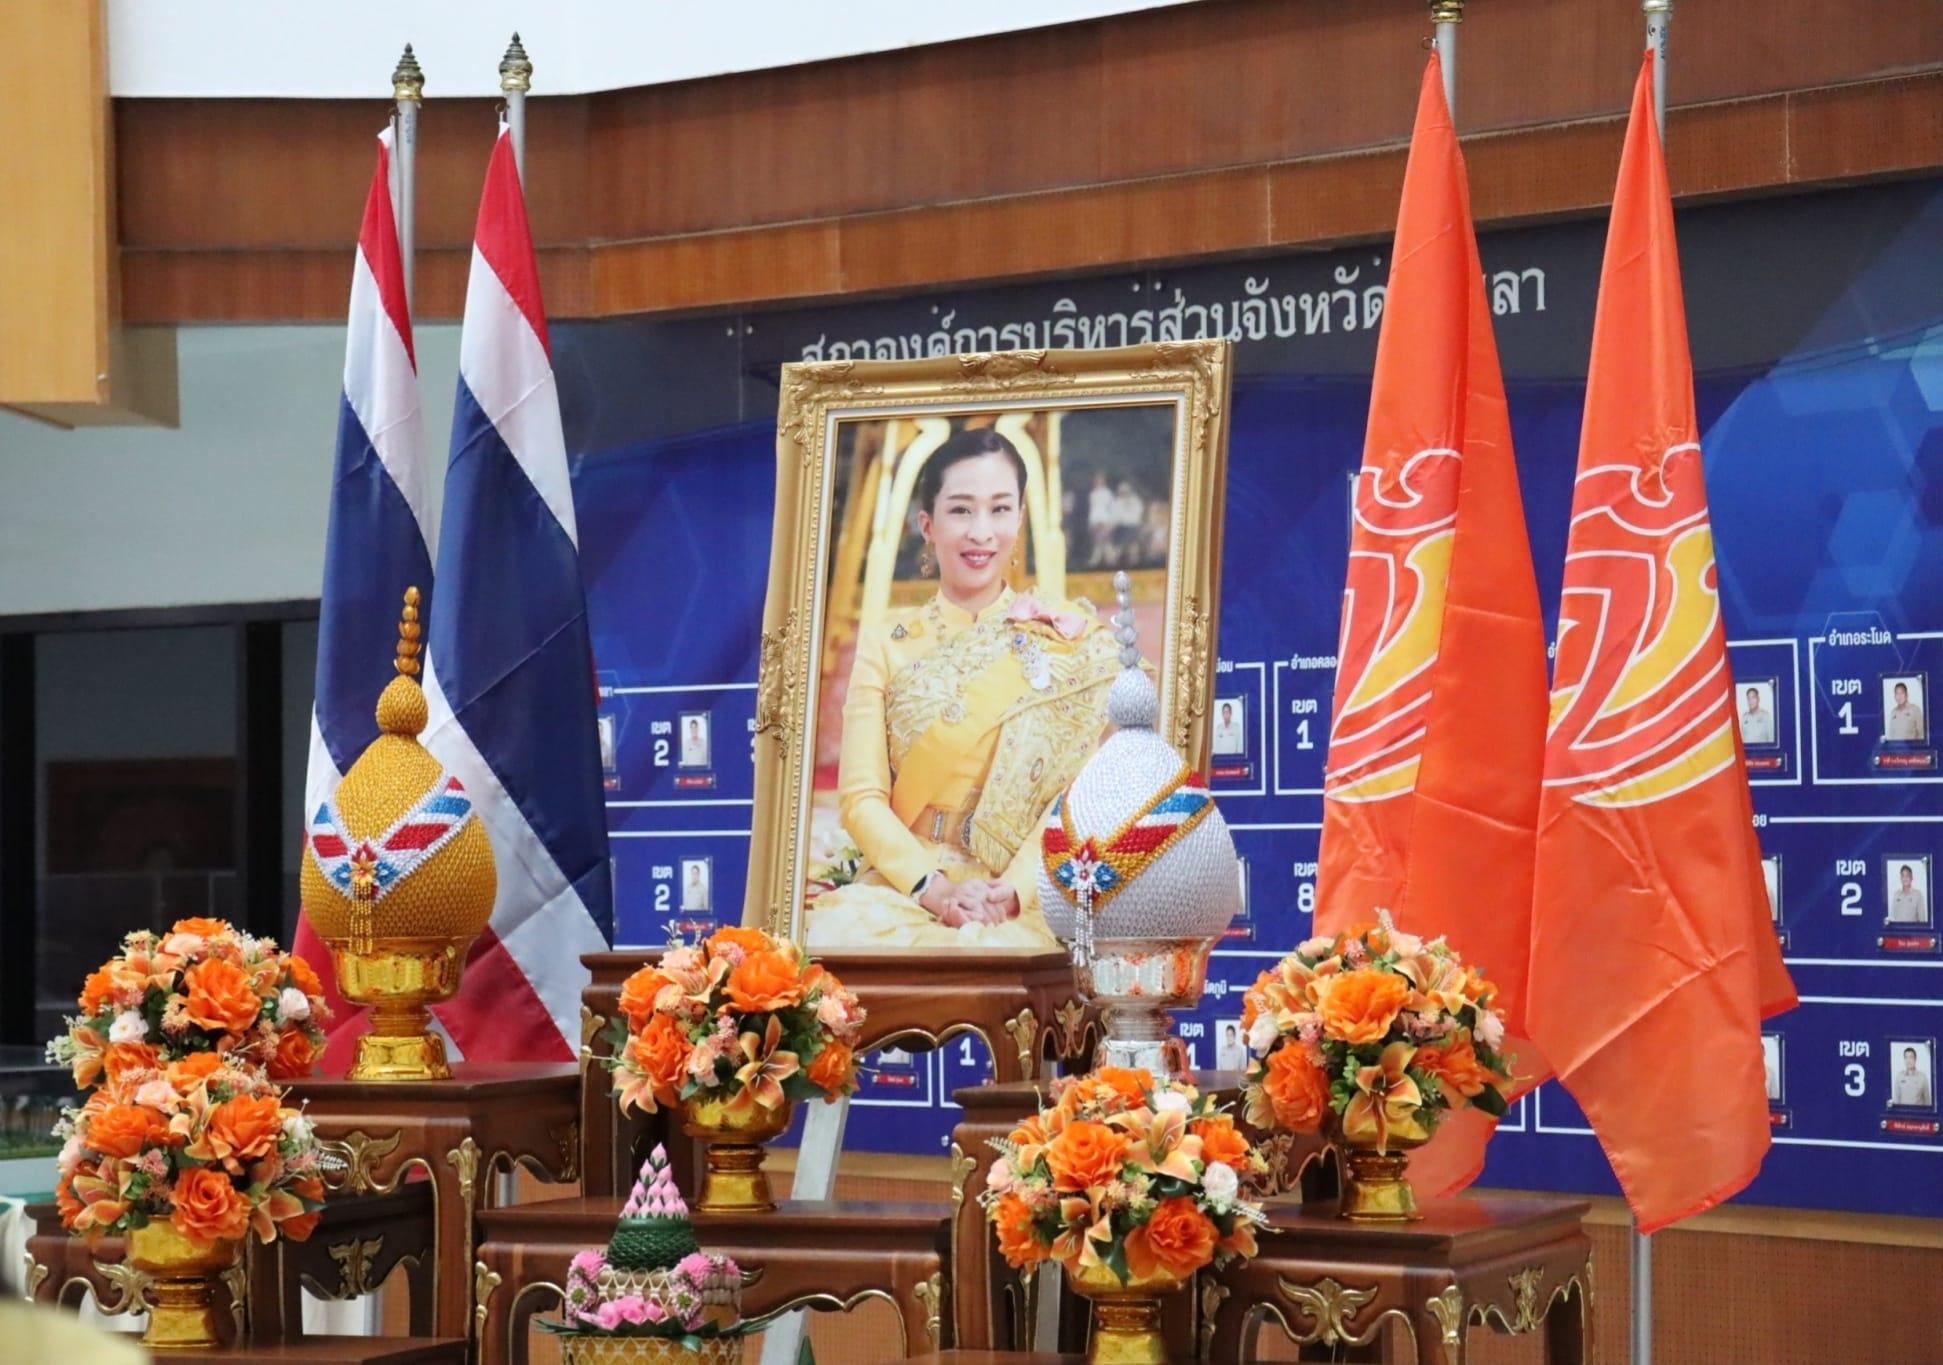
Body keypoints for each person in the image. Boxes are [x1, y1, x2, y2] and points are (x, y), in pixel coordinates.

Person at [808, 427, 1121, 950]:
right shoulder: (887, 644)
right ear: (927, 525)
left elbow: (1078, 795)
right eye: (960, 510)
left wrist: (1013, 891)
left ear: (1019, 519)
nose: (982, 532)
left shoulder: (1067, 640)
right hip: (906, 889)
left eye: (1000, 509)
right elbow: (861, 799)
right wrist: (934, 889)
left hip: (1023, 896)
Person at [1086, 471, 1116, 567]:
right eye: (1097, 480)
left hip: (1105, 519)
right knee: (1098, 541)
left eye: (1100, 480)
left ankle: (1108, 559)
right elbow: (1093, 508)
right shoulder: (1093, 494)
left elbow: (1111, 508)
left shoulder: (1108, 493)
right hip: (1095, 520)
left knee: (1105, 540)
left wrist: (1110, 522)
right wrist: (1091, 522)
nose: (1098, 482)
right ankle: (1102, 560)